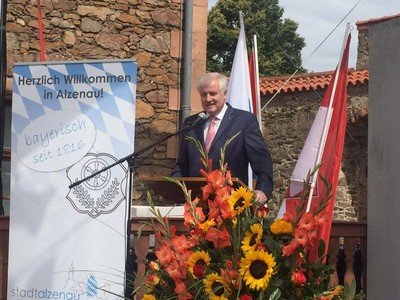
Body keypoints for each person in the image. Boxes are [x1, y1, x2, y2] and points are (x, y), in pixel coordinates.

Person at [172, 72, 273, 204]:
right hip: (198, 207)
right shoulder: (191, 123)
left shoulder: (244, 121)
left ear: (225, 94)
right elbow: (182, 165)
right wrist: (173, 187)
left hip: (231, 206)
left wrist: (262, 190)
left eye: (212, 93)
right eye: (204, 94)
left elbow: (262, 162)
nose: (208, 99)